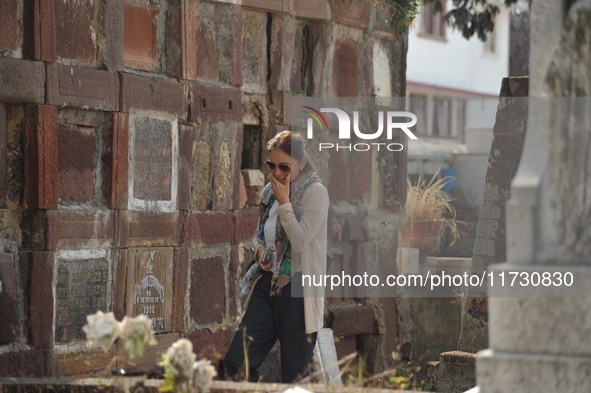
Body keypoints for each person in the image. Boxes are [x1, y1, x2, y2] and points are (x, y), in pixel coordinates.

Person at [224, 130, 329, 383]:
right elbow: (260, 234)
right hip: (267, 285)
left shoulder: (315, 193)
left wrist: (285, 205)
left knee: (294, 377)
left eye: (284, 166)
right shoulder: (270, 190)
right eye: (271, 164)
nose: (277, 172)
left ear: (302, 162)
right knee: (237, 362)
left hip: (298, 290)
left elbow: (302, 241)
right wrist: (260, 250)